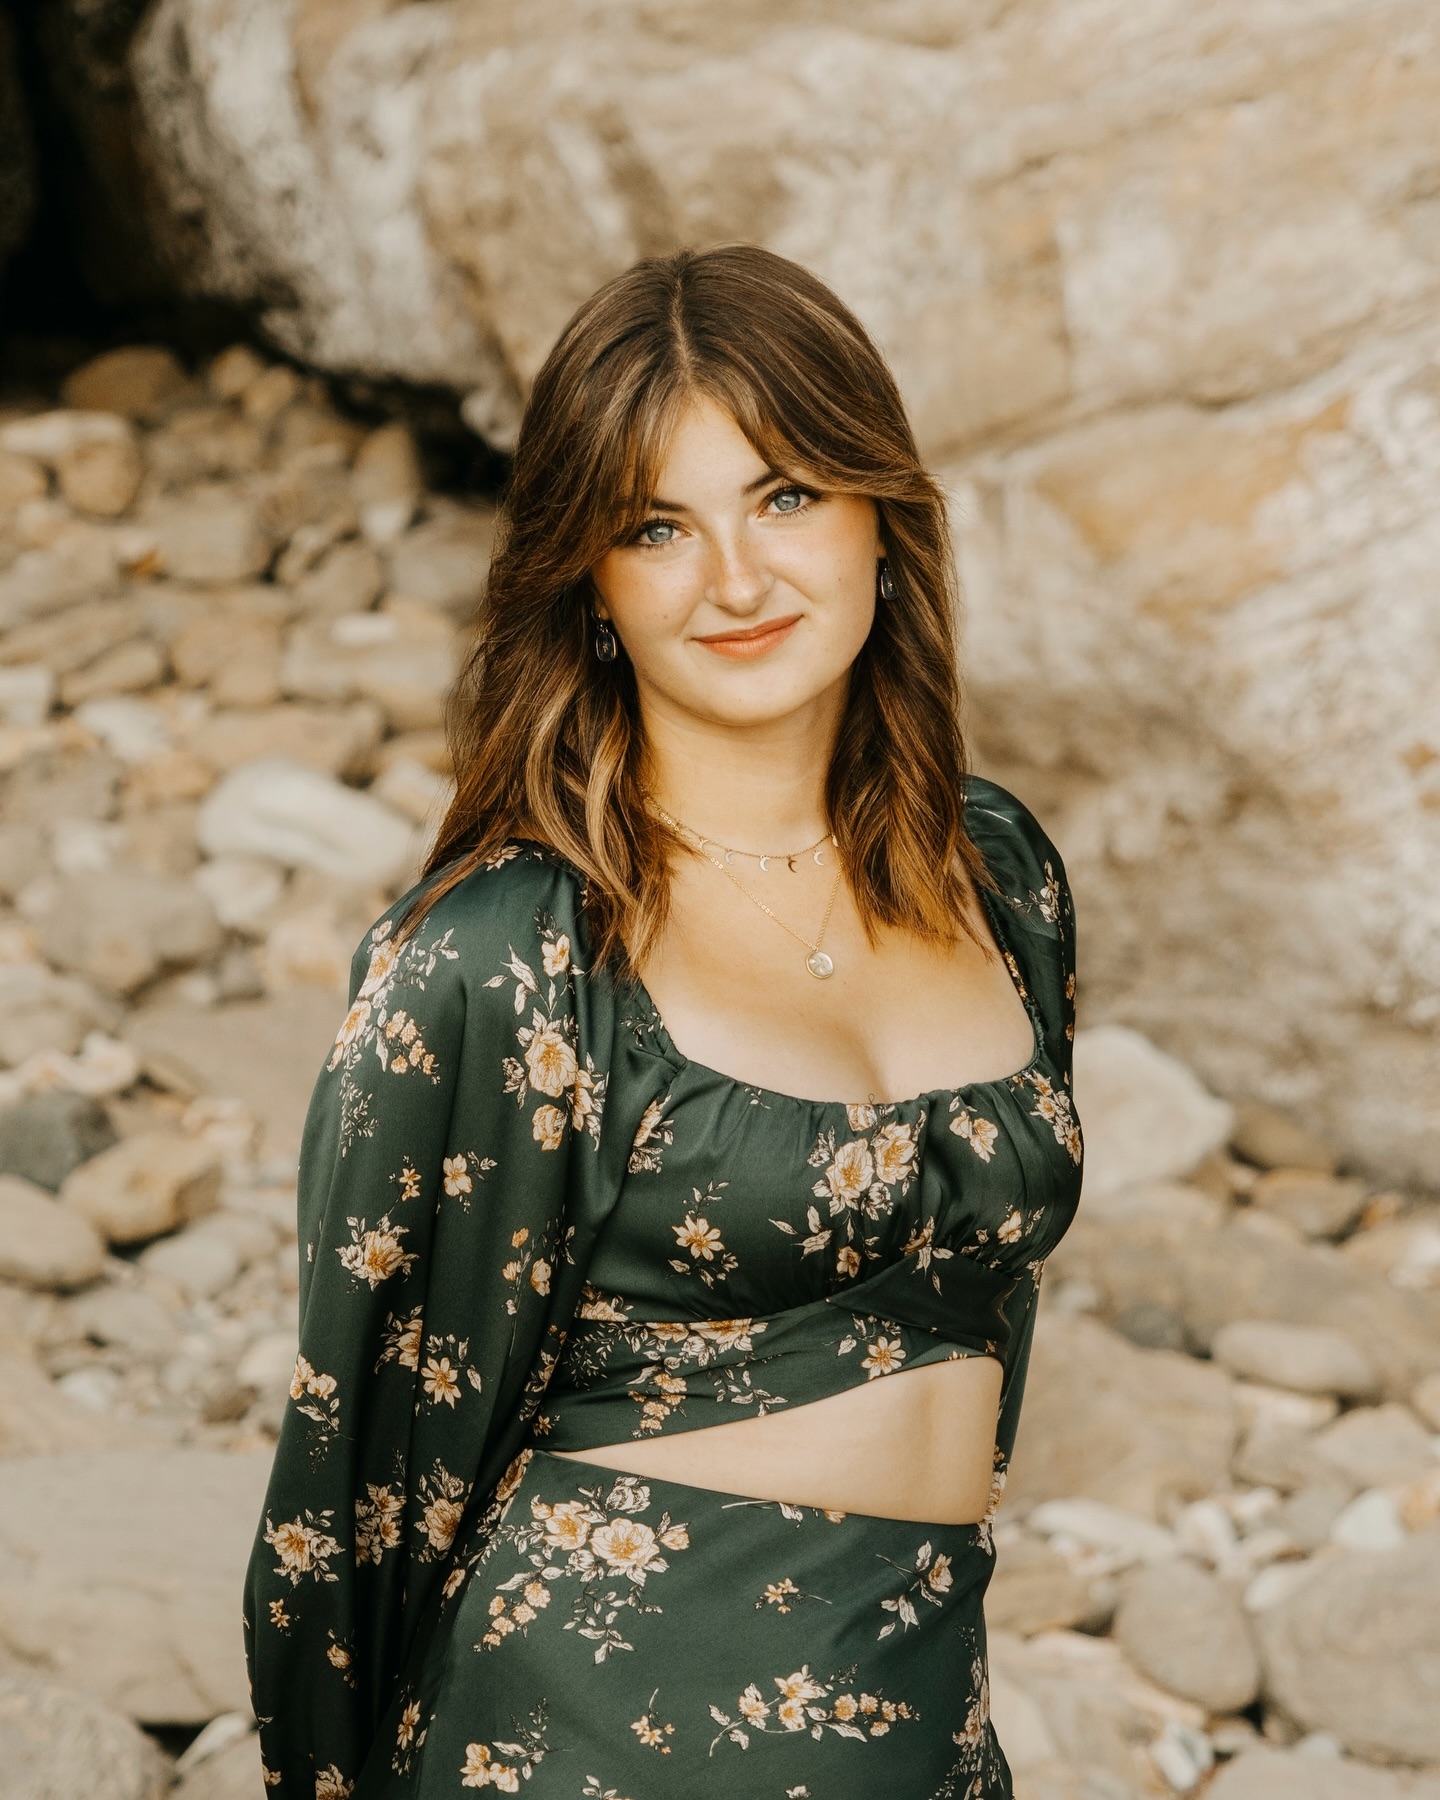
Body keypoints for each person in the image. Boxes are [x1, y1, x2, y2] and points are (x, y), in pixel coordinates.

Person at [244, 243, 1082, 1800]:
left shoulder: (1001, 871)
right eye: (657, 525)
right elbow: (350, 1474)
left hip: (920, 1713)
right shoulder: (502, 955)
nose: (738, 582)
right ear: (591, 579)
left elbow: (986, 1314)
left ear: (880, 520)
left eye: (785, 497)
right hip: (591, 1735)